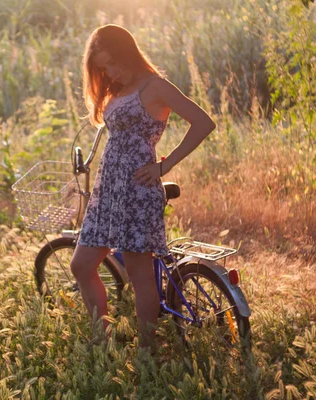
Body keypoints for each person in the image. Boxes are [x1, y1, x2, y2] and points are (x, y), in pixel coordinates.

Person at [71, 24, 216, 348]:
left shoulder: (155, 86)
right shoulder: (116, 88)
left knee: (141, 276)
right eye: (104, 66)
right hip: (108, 189)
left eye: (114, 63)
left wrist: (165, 165)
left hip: (137, 189)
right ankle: (102, 342)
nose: (111, 71)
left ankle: (148, 353)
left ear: (129, 54)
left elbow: (204, 122)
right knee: (81, 265)